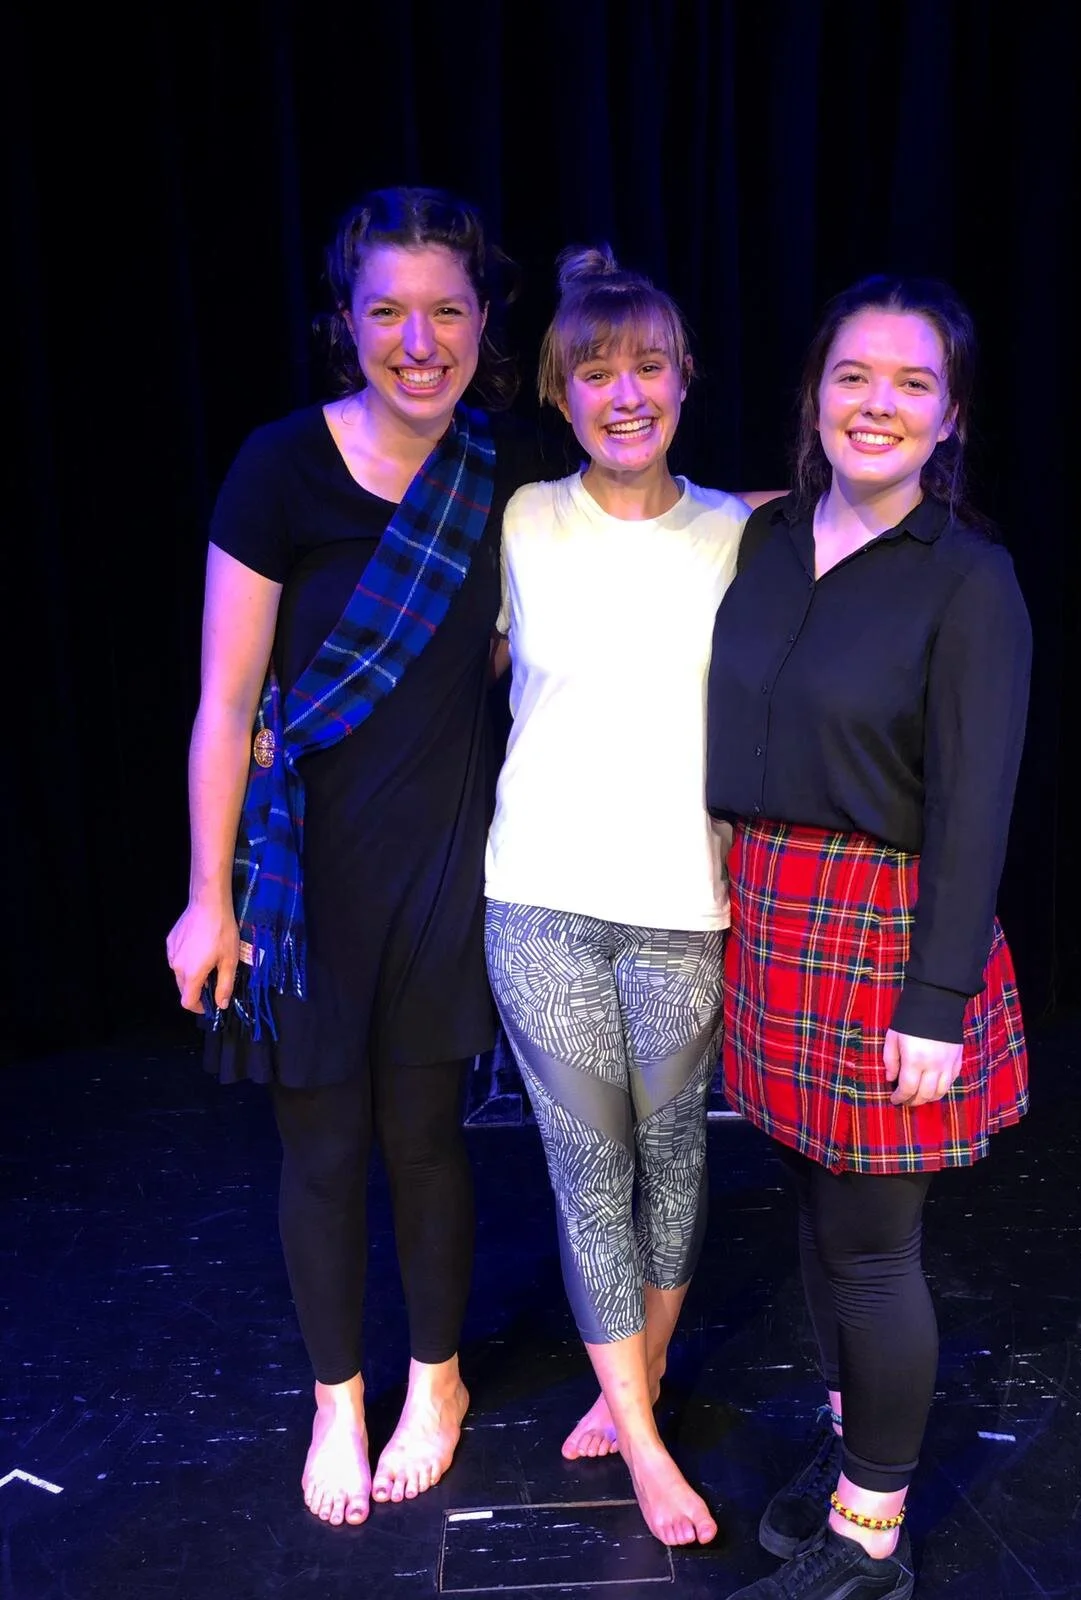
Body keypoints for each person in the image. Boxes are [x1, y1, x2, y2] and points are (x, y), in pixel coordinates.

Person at [164, 185, 549, 1528]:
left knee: (428, 1142)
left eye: (446, 310)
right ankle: (338, 1400)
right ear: (347, 319)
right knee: (321, 1151)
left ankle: (436, 1385)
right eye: (388, 311)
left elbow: (657, 519)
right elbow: (226, 703)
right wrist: (205, 900)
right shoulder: (278, 467)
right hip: (304, 883)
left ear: (485, 322)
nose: (418, 341)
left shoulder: (507, 467)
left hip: (444, 865)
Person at [706, 274, 1032, 1600]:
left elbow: (976, 805)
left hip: (884, 930)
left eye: (911, 382)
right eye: (853, 376)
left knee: (875, 1246)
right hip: (773, 916)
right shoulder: (767, 539)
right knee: (815, 1214)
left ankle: (872, 1538)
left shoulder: (969, 581)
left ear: (949, 417)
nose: (877, 404)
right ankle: (854, 1461)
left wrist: (935, 1001)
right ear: (815, 396)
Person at [482, 245, 762, 1547]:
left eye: (649, 366)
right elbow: (448, 670)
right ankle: (646, 1447)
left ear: (686, 379)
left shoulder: (738, 534)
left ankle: (629, 1383)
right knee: (590, 1166)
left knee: (675, 1157)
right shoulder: (520, 522)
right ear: (560, 392)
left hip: (681, 897)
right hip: (540, 892)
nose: (626, 393)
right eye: (596, 372)